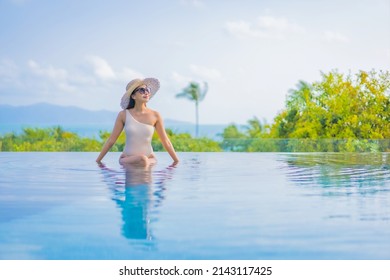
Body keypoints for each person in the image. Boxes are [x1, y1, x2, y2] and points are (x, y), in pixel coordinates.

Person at [96, 77, 179, 166]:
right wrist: (98, 161)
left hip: (150, 159)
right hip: (127, 159)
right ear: (133, 96)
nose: (146, 92)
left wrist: (177, 162)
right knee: (142, 159)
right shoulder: (123, 115)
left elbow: (166, 141)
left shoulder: (155, 115)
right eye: (142, 90)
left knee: (144, 160)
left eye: (147, 90)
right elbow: (111, 141)